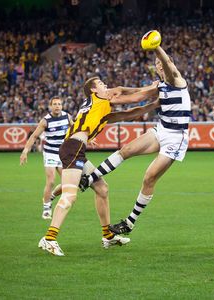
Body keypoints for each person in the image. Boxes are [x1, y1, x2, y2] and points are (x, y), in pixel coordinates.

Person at [79, 42, 214, 236]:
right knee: (125, 151)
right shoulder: (161, 86)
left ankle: (130, 222)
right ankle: (90, 179)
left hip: (176, 138)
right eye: (156, 64)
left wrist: (156, 48)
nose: (159, 65)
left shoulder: (177, 79)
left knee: (149, 178)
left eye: (162, 62)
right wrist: (114, 95)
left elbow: (166, 65)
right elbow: (133, 94)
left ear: (169, 63)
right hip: (162, 129)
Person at [38, 77, 160, 256]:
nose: (106, 86)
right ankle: (49, 238)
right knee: (70, 197)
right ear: (94, 91)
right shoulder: (101, 99)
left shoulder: (99, 108)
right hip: (72, 148)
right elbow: (132, 98)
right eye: (102, 84)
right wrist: (154, 88)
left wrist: (154, 104)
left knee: (102, 188)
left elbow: (129, 114)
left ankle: (107, 236)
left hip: (75, 148)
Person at [20, 97, 73, 219]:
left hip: (63, 153)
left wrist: (90, 139)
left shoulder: (67, 117)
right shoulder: (46, 121)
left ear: (62, 105)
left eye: (59, 104)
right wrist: (25, 151)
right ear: (50, 106)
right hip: (50, 153)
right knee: (51, 181)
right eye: (55, 104)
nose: (57, 106)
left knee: (67, 183)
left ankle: (52, 196)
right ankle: (46, 207)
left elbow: (76, 129)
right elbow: (33, 137)